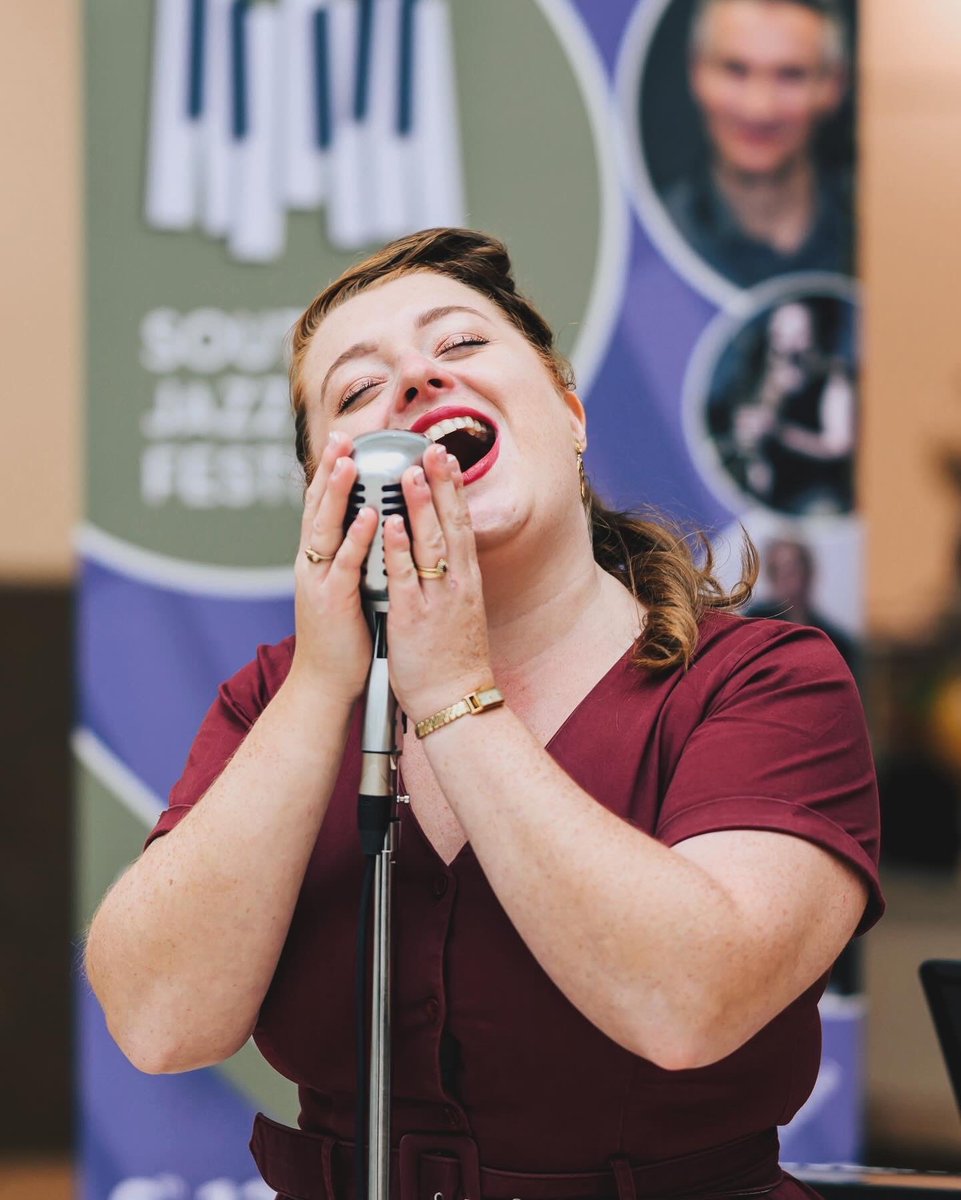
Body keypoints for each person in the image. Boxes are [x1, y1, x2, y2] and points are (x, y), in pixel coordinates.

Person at [85, 228, 882, 1200]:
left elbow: (690, 1005)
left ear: (571, 413)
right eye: (355, 389)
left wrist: (452, 694)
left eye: (459, 345)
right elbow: (159, 1023)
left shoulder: (765, 682)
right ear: (326, 488)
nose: (415, 380)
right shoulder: (277, 699)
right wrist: (320, 692)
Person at [664, 0, 851, 287]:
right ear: (696, 72)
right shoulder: (654, 244)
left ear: (832, 85)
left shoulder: (881, 244)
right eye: (736, 70)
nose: (760, 108)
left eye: (790, 75)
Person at [714, 299, 856, 514]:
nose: (788, 347)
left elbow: (838, 445)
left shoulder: (835, 380)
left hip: (814, 493)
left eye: (800, 336)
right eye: (780, 336)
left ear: (818, 337)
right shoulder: (756, 371)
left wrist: (779, 430)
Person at [747, 536, 857, 672]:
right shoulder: (755, 626)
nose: (785, 576)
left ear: (808, 573)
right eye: (778, 570)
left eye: (792, 569)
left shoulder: (836, 640)